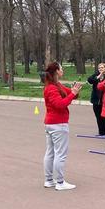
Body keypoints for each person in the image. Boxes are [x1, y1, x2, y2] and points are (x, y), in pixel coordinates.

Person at [43, 62, 83, 191]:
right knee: (59, 154)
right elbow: (60, 104)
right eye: (61, 68)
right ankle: (59, 182)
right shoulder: (51, 88)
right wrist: (72, 94)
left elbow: (70, 94)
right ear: (56, 71)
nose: (63, 70)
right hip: (57, 124)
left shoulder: (57, 85)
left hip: (53, 124)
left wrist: (74, 91)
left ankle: (49, 180)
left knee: (51, 152)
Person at [87, 63, 105, 136]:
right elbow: (89, 80)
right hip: (96, 100)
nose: (100, 69)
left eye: (102, 68)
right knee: (98, 116)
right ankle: (101, 132)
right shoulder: (96, 75)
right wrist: (98, 76)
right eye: (99, 68)